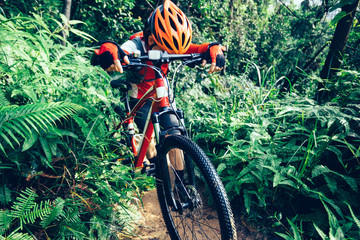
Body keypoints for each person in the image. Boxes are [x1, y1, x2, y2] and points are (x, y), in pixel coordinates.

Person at [91, 0, 226, 161]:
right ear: (150, 40)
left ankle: (179, 182)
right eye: (165, 49)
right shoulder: (136, 44)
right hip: (139, 95)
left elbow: (196, 49)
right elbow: (121, 51)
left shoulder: (170, 44)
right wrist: (110, 50)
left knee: (175, 132)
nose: (170, 54)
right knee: (150, 146)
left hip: (162, 92)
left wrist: (213, 48)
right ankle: (153, 164)